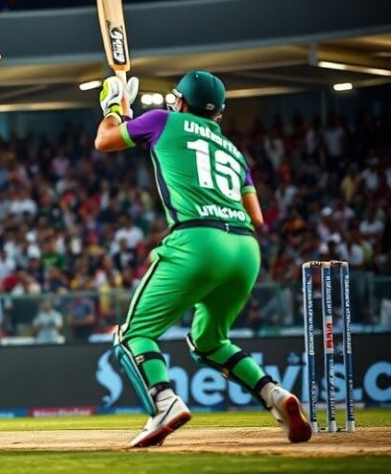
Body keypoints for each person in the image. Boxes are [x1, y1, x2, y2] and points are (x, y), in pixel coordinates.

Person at [94, 71, 311, 448]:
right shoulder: (232, 148)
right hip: (245, 248)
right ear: (219, 114)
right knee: (210, 341)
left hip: (196, 239)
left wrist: (113, 106)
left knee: (133, 335)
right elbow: (257, 216)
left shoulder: (163, 119)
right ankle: (275, 395)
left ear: (179, 101)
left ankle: (164, 402)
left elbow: (105, 140)